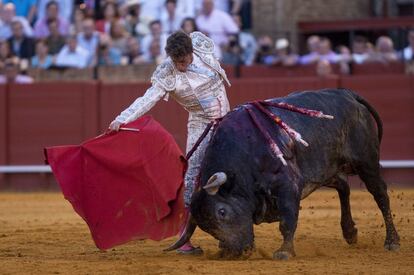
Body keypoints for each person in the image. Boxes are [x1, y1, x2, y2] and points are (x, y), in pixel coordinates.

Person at [108, 30, 231, 254]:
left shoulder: (202, 47)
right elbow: (146, 99)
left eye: (183, 61)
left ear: (191, 52)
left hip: (229, 119)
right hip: (201, 124)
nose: (180, 66)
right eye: (176, 62)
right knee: (192, 177)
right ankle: (184, 238)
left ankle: (232, 229)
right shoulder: (167, 72)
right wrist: (121, 119)